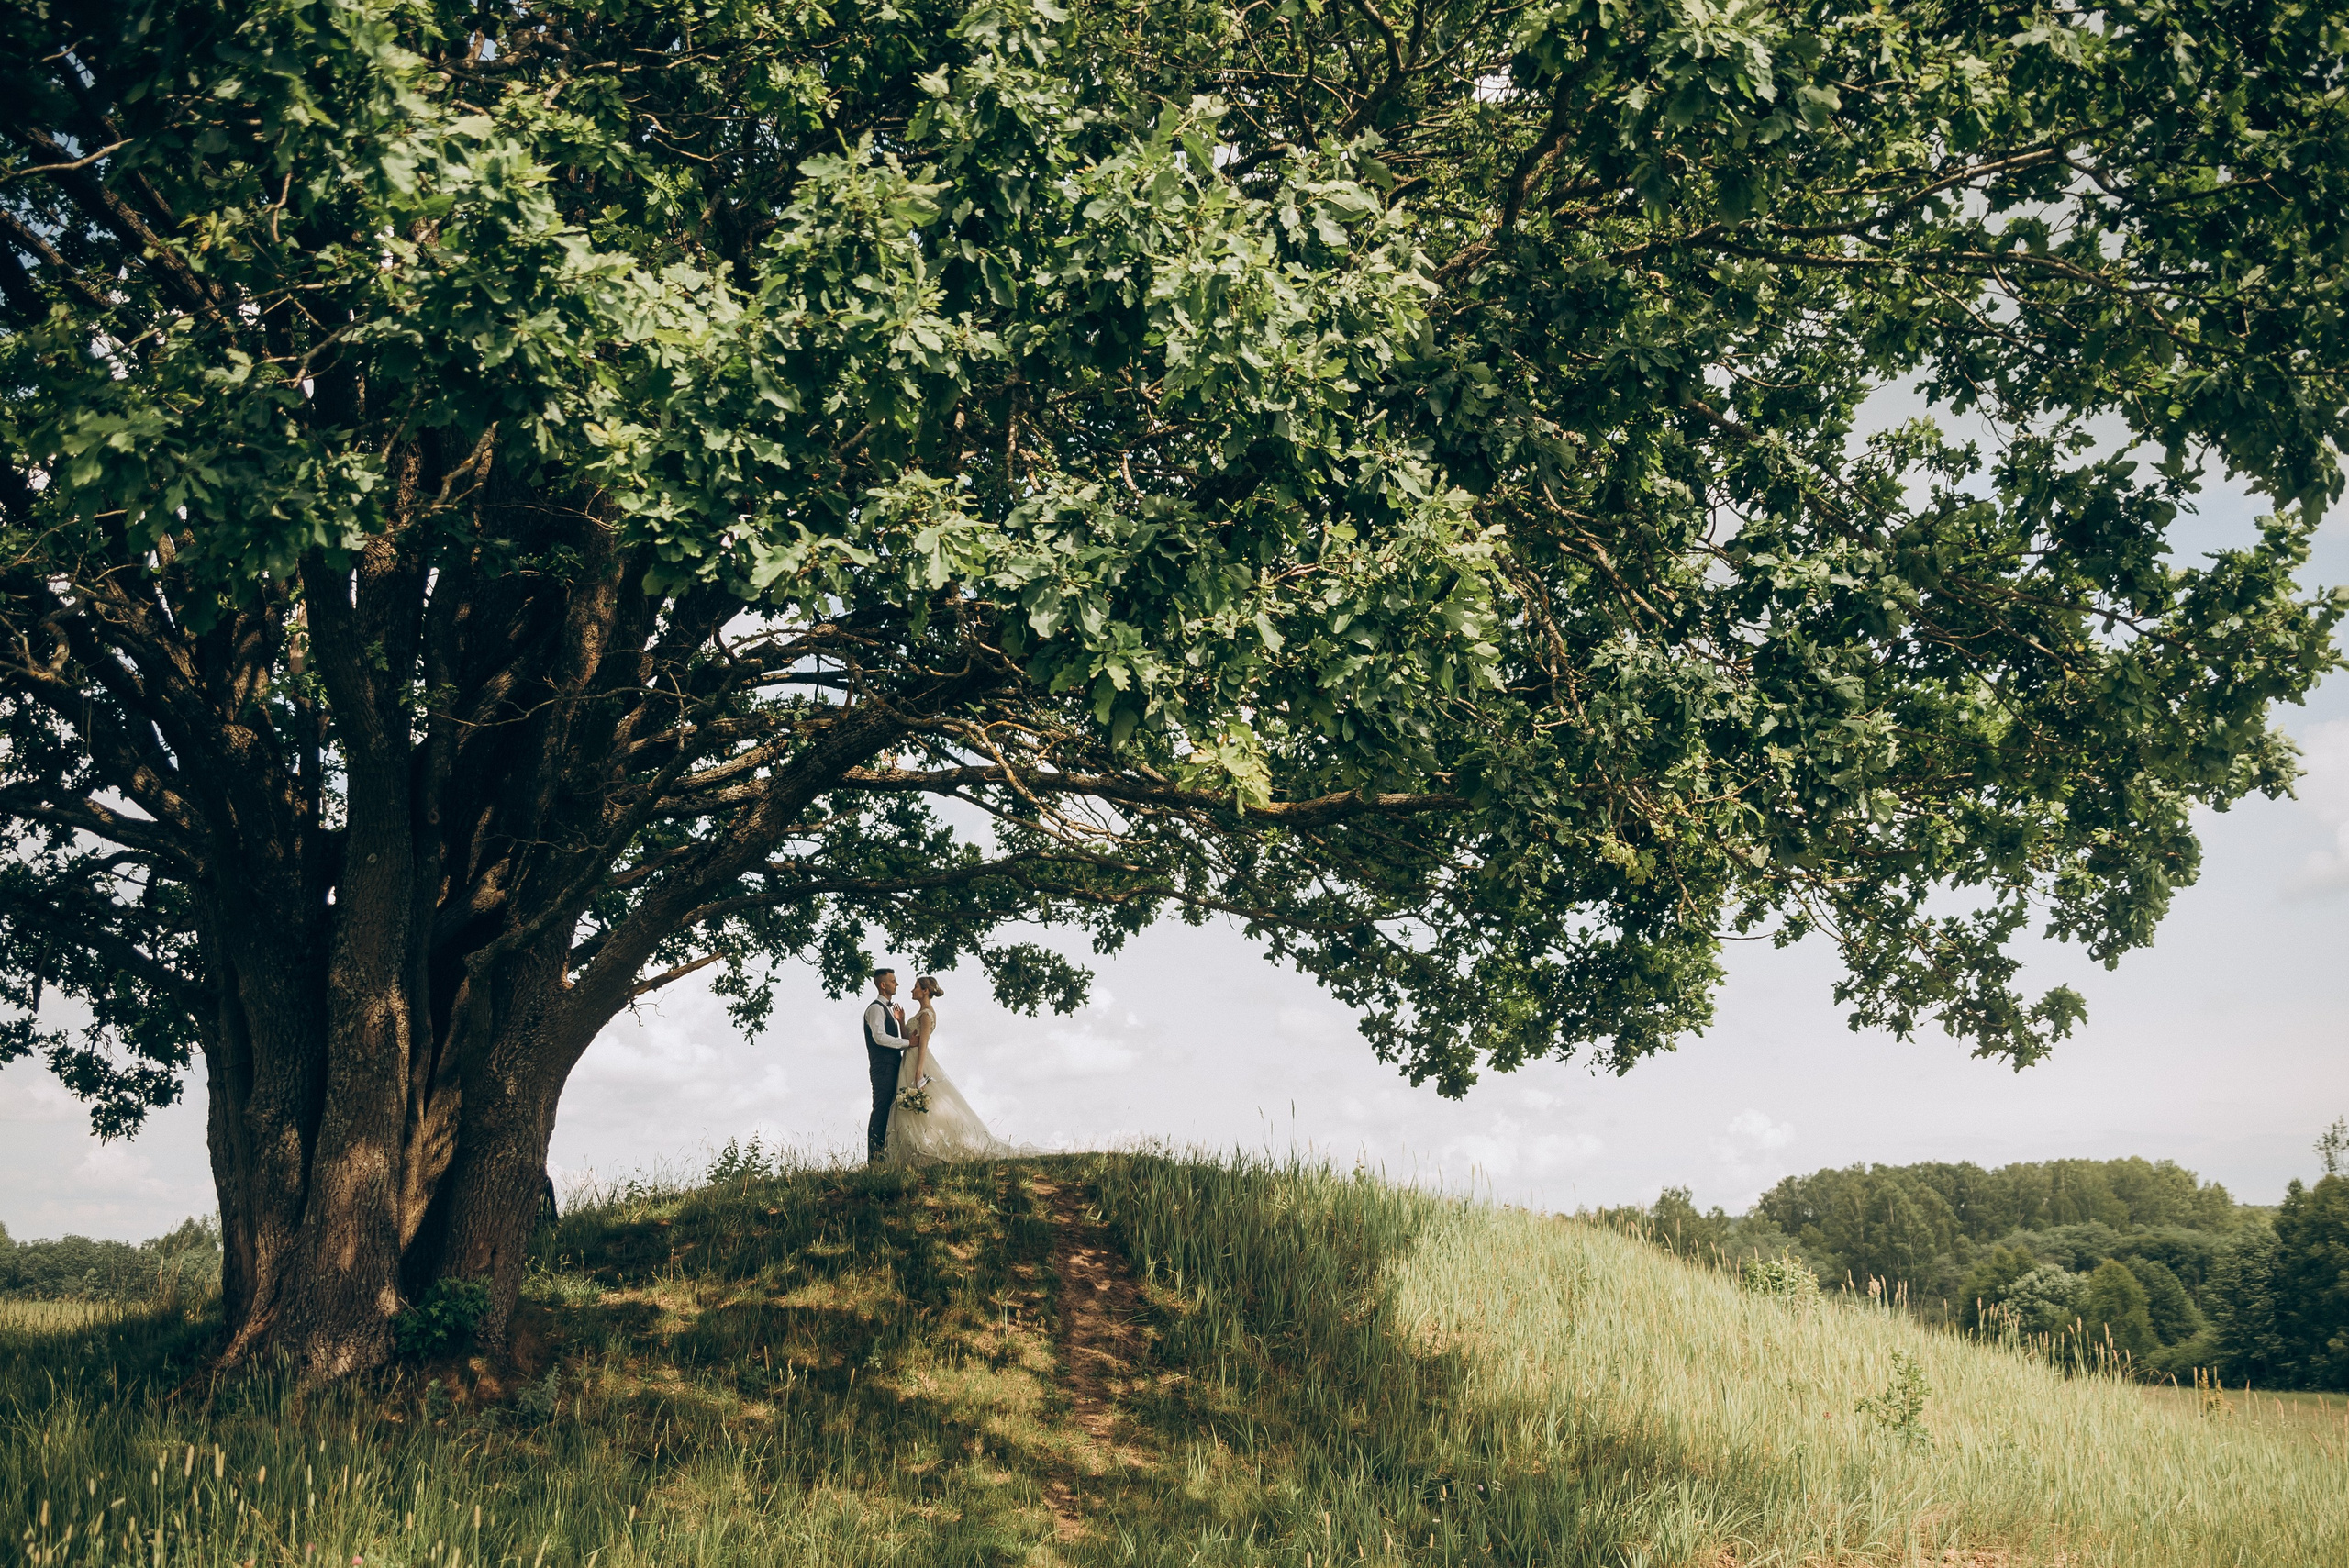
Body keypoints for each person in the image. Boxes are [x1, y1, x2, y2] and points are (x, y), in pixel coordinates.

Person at [881, 975, 1029, 1166]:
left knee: (922, 1106)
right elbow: (909, 1039)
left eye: (916, 987)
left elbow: (923, 1044)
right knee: (908, 1108)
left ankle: (927, 1148)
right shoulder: (919, 1014)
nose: (912, 990)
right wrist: (900, 1021)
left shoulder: (926, 1014)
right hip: (908, 1060)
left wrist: (919, 1072)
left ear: (925, 991)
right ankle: (913, 1152)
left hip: (918, 1061)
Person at [862, 968, 907, 1162]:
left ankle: (886, 1156)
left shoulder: (888, 1009)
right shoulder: (875, 1009)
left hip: (892, 1064)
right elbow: (879, 1038)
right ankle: (874, 1158)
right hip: (882, 1067)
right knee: (881, 1108)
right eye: (893, 981)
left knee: (889, 1109)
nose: (896, 984)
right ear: (883, 985)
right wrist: (907, 1043)